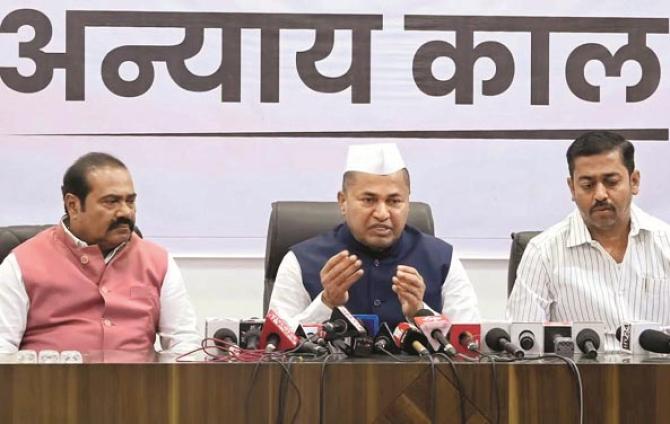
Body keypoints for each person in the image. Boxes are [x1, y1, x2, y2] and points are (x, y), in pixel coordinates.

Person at [0, 152, 201, 353]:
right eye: (111, 202)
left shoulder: (158, 262)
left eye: (130, 201)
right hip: (52, 383)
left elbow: (184, 342)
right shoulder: (22, 263)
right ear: (73, 205)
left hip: (139, 384)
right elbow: (2, 347)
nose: (125, 212)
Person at [268, 143, 480, 329]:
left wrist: (419, 312)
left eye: (394, 201)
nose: (381, 213)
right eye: (369, 200)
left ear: (408, 202)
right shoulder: (301, 261)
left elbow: (470, 345)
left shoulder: (441, 259)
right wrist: (326, 302)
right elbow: (275, 345)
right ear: (343, 202)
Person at [506, 131, 670, 351]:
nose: (600, 194)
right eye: (587, 185)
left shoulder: (665, 242)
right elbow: (523, 348)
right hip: (577, 383)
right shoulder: (543, 252)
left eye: (611, 182)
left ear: (634, 181)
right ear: (572, 188)